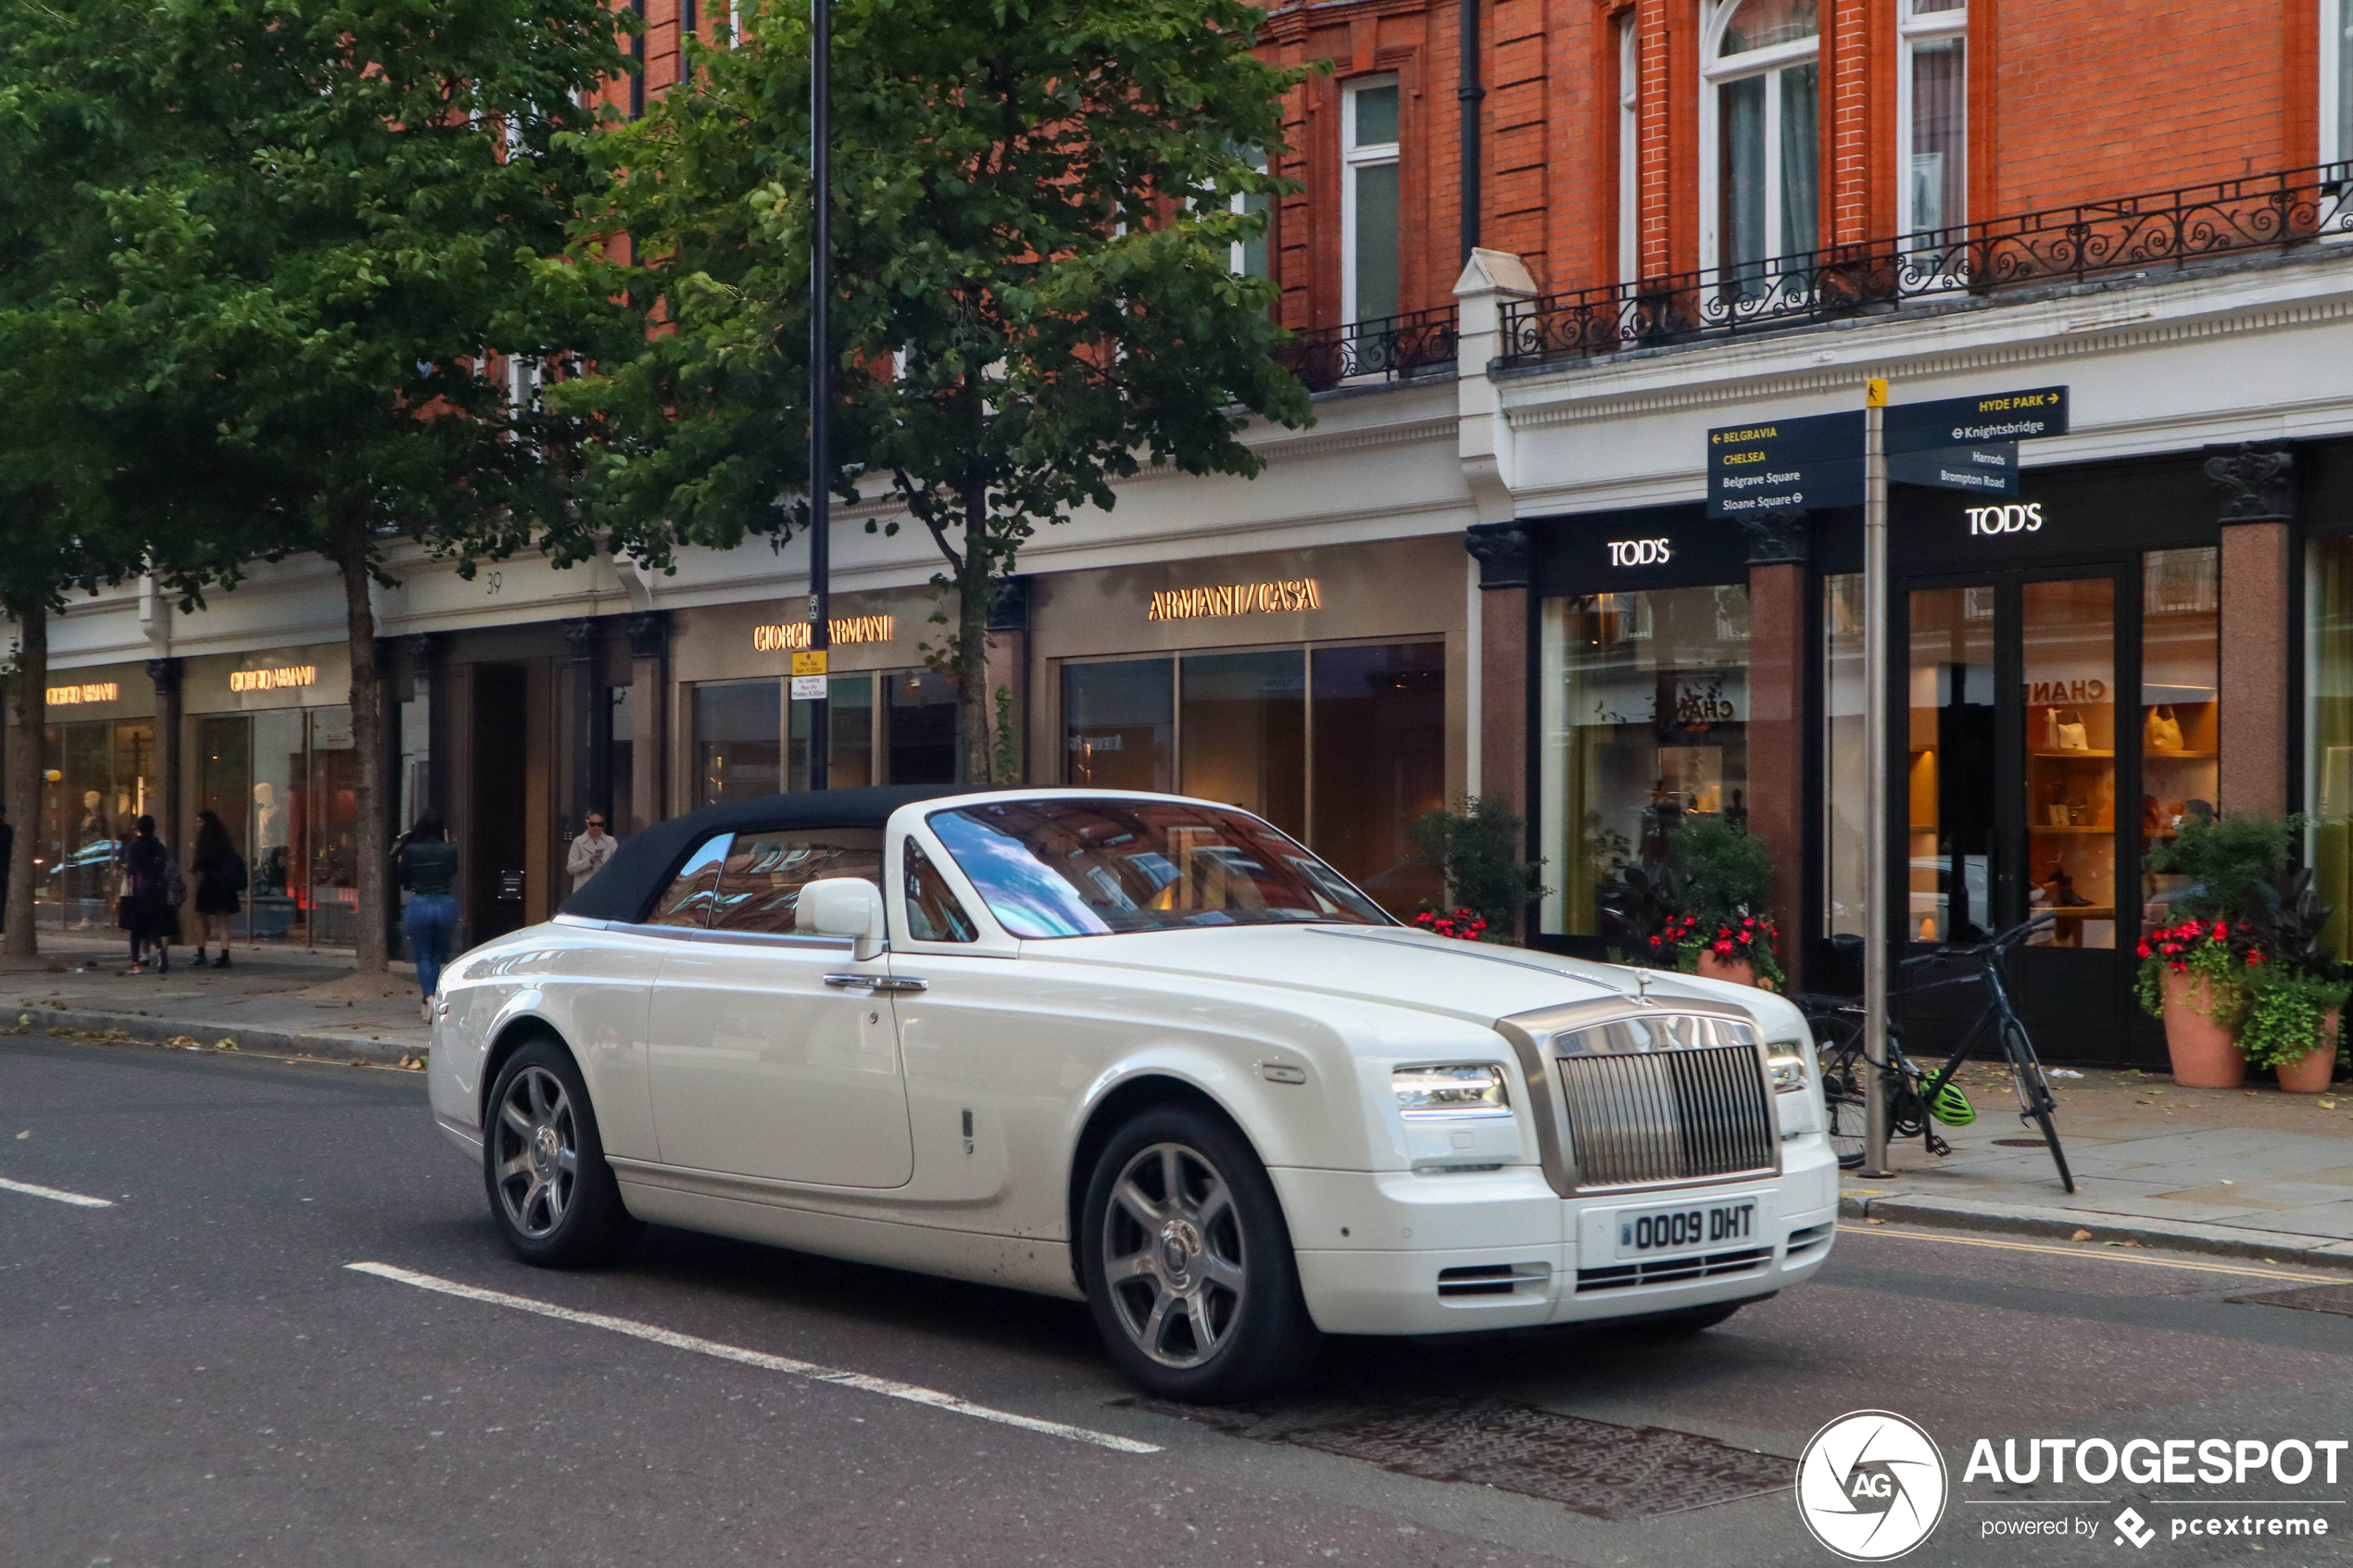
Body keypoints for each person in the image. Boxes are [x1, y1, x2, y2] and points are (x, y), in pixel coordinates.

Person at [396, 811, 459, 1023]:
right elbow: (453, 871)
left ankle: (429, 997)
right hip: (445, 905)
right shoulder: (450, 850)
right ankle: (435, 997)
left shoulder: (412, 850)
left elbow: (401, 874)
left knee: (422, 955)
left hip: (420, 904)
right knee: (437, 955)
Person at [120, 815, 180, 974]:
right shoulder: (159, 846)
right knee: (153, 924)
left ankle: (136, 963)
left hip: (140, 889)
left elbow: (132, 869)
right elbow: (163, 866)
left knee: (136, 928)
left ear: (138, 829)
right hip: (158, 889)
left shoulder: (134, 847)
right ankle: (160, 950)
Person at [188, 809, 245, 968]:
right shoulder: (224, 840)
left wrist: (193, 865)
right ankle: (225, 954)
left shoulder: (205, 839)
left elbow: (202, 862)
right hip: (226, 884)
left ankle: (201, 952)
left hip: (210, 882)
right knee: (222, 921)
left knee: (200, 915)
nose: (198, 825)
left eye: (200, 822)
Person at [565, 810, 618, 893]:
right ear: (587, 823)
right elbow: (571, 869)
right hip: (584, 889)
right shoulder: (578, 842)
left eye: (599, 824)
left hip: (604, 888)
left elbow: (618, 865)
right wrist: (589, 860)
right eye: (593, 824)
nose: (596, 827)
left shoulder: (611, 842)